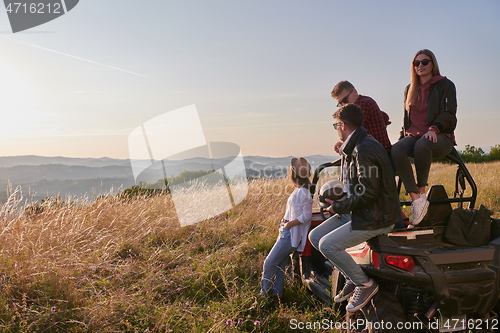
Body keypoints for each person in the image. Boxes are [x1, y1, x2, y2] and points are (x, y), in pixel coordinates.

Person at [308, 104, 401, 313]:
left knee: (327, 245)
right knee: (314, 237)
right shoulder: (356, 145)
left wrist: (338, 207)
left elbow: (368, 193)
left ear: (342, 124)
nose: (336, 129)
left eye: (336, 125)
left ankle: (365, 284)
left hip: (377, 216)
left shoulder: (363, 148)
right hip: (363, 210)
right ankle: (351, 276)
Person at [391, 49, 457, 228]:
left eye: (424, 62)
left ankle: (422, 190)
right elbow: (408, 121)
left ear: (432, 64)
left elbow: (449, 113)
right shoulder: (409, 89)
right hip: (415, 136)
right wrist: (400, 138)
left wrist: (434, 129)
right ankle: (417, 199)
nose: (420, 66)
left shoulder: (445, 85)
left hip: (440, 137)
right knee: (396, 149)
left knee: (422, 144)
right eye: (416, 63)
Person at [260, 157, 313, 301]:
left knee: (269, 263)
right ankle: (277, 296)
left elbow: (307, 215)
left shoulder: (304, 192)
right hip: (286, 232)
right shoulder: (300, 190)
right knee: (279, 265)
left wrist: (289, 224)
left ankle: (265, 295)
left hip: (290, 234)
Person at [331, 81, 392, 154]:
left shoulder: (362, 105)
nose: (344, 104)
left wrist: (341, 143)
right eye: (340, 103)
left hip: (375, 155)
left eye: (345, 100)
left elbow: (352, 134)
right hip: (378, 152)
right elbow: (385, 116)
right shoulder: (367, 100)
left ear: (354, 92)